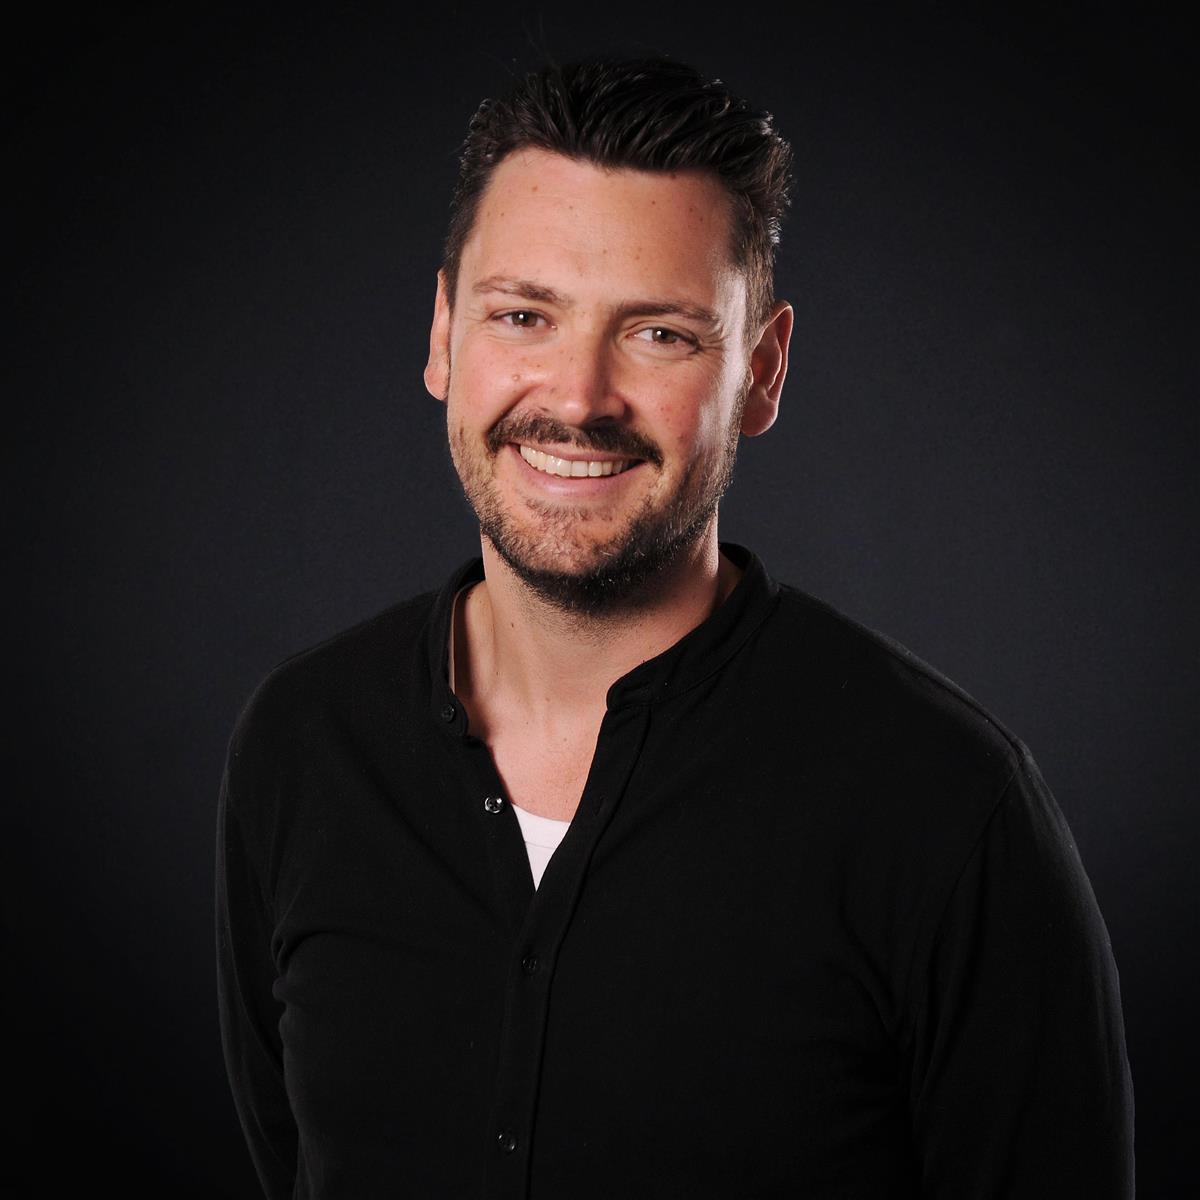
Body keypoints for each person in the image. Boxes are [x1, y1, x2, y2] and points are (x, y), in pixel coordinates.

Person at [216, 57, 1134, 1198]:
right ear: (445, 333)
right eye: (523, 315)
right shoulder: (302, 745)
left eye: (659, 333)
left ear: (763, 371)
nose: (578, 397)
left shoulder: (949, 807)